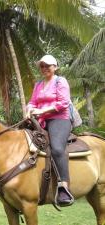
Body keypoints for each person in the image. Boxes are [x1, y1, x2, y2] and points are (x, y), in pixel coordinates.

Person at [26, 55, 74, 206]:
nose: (45, 68)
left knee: (57, 149)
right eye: (42, 66)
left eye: (48, 65)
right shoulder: (38, 84)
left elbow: (63, 103)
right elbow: (32, 102)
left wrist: (41, 111)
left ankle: (63, 187)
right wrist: (28, 110)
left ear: (55, 67)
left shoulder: (61, 81)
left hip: (59, 119)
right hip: (40, 120)